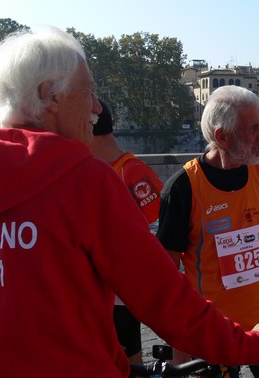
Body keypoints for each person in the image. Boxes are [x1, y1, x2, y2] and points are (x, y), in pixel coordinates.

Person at [0, 27, 259, 377]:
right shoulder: (86, 182)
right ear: (49, 96)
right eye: (88, 92)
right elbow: (163, 299)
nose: (97, 108)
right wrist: (254, 345)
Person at [157, 85, 259, 378]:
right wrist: (179, 348)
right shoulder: (183, 188)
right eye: (253, 129)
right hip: (211, 332)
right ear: (222, 137)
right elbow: (167, 277)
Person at [90, 99, 164, 367]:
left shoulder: (132, 171)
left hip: (120, 290)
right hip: (92, 287)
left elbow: (155, 220)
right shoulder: (90, 170)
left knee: (127, 357)